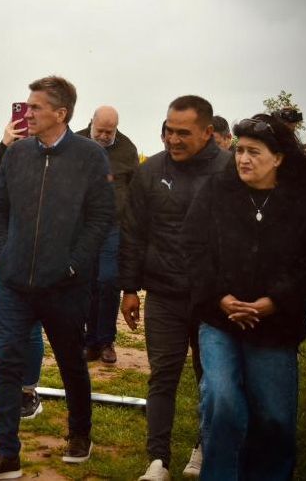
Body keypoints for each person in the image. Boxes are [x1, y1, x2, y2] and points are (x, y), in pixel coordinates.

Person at [0, 76, 115, 481]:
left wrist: (73, 264)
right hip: (16, 282)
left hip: (65, 286)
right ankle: (6, 454)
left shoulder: (89, 157)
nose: (26, 113)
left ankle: (80, 434)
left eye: (35, 108)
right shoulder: (17, 155)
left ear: (60, 113)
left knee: (71, 362)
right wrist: (1, 253)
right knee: (8, 363)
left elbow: (102, 217)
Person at [183, 114, 306, 479]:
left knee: (274, 416)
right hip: (220, 320)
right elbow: (192, 248)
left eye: (254, 152)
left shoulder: (303, 200)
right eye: (239, 151)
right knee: (221, 401)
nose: (243, 159)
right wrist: (220, 298)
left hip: (276, 325)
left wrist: (275, 301)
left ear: (278, 157)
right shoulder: (217, 191)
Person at [119, 95, 230, 481]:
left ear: (208, 133)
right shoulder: (150, 172)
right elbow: (133, 232)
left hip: (213, 299)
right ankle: (158, 460)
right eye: (169, 130)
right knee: (163, 374)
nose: (174, 139)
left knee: (210, 377)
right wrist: (129, 288)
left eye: (184, 132)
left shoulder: (230, 171)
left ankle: (202, 447)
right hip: (164, 293)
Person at [0, 119, 45, 419]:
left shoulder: (60, 155)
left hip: (41, 251)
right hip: (3, 248)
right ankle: (8, 362)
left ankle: (27, 390)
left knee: (29, 325)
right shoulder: (14, 150)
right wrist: (6, 143)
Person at [78, 106, 139, 364]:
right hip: (81, 227)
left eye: (109, 131)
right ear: (91, 123)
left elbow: (136, 188)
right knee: (87, 283)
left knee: (108, 280)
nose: (104, 136)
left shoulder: (127, 149)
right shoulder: (76, 142)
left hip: (113, 226)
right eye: (100, 130)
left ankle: (106, 340)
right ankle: (89, 341)